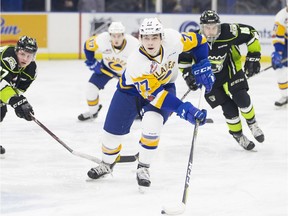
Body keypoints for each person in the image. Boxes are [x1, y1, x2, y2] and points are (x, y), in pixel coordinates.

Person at [86, 17, 215, 190]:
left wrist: (202, 63)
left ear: (162, 37)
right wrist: (184, 109)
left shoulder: (175, 39)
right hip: (129, 92)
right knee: (111, 136)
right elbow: (157, 96)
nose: (150, 42)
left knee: (152, 124)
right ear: (140, 38)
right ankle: (107, 164)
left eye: (154, 37)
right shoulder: (136, 62)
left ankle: (143, 167)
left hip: (164, 86)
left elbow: (200, 42)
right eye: (146, 37)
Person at [180, 10, 265, 151]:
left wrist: (254, 56)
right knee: (228, 108)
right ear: (201, 28)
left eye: (214, 27)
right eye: (207, 28)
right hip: (209, 79)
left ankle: (252, 123)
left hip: (231, 70)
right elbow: (183, 60)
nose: (211, 31)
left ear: (219, 26)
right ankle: (237, 135)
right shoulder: (193, 39)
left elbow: (252, 33)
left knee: (241, 98)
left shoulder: (229, 32)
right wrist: (188, 75)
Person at [78, 21, 140, 121]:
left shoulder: (134, 44)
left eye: (119, 36)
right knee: (91, 88)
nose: (116, 39)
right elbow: (87, 46)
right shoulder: (102, 39)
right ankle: (93, 112)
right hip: (106, 69)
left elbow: (144, 59)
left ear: (123, 35)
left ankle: (138, 111)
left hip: (127, 74)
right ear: (109, 35)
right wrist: (92, 61)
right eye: (113, 36)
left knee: (137, 92)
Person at [0, 36, 38, 154]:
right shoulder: (8, 58)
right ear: (16, 50)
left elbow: (17, 90)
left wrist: (19, 103)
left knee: (1, 110)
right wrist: (16, 101)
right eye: (22, 54)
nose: (25, 59)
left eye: (29, 56)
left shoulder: (31, 69)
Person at [271, 5, 288, 107]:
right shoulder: (281, 17)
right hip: (286, 43)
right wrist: (278, 53)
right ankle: (285, 95)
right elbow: (278, 36)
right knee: (280, 69)